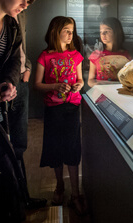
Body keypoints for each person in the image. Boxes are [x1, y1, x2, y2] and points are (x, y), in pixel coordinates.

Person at [33, 16, 87, 216]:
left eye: (72, 30)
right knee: (55, 149)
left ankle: (75, 193)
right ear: (55, 31)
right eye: (66, 30)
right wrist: (55, 86)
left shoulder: (76, 55)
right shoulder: (45, 56)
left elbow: (80, 79)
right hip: (53, 109)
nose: (70, 34)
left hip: (72, 107)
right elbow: (37, 84)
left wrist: (79, 85)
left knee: (72, 150)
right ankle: (59, 187)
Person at [9, 0, 47, 210]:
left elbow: (20, 48)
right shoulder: (2, 13)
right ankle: (12, 199)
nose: (28, 2)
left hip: (20, 82)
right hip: (6, 86)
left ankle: (22, 198)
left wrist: (28, 68)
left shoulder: (20, 15)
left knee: (19, 143)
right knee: (4, 143)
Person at [87, 17, 131, 87]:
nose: (103, 35)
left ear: (116, 32)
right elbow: (90, 80)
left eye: (107, 31)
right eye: (101, 32)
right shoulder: (95, 54)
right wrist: (97, 85)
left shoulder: (126, 55)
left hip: (118, 93)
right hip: (100, 93)